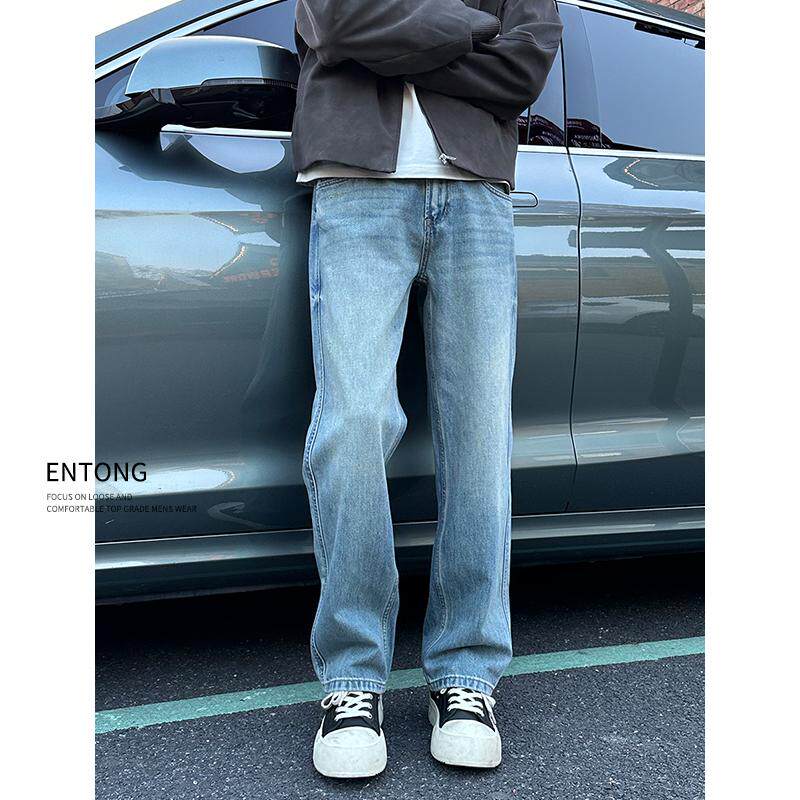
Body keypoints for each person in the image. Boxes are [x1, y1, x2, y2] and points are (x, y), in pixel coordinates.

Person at [292, 0, 563, 778]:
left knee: (479, 438)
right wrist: (474, 25)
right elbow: (341, 25)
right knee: (351, 425)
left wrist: (396, 35)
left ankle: (467, 674)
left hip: (477, 194)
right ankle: (351, 679)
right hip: (355, 186)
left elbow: (523, 68)